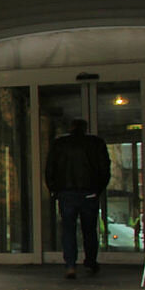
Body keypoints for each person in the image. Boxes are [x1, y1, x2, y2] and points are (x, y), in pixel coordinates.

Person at [45, 119, 110, 279]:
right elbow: (104, 169)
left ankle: (70, 265)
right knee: (89, 230)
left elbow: (50, 169)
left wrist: (54, 190)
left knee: (68, 230)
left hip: (66, 193)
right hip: (89, 192)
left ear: (71, 128)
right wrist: (98, 189)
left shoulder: (60, 144)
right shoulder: (96, 144)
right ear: (85, 129)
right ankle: (90, 262)